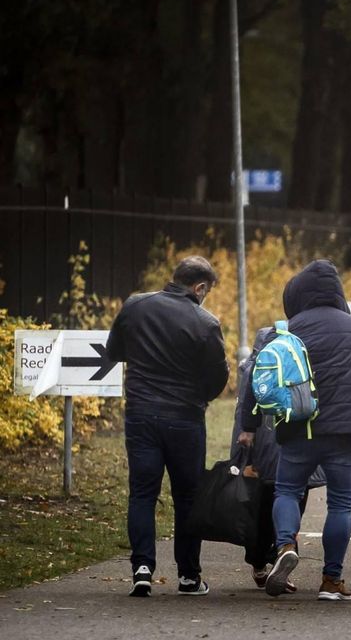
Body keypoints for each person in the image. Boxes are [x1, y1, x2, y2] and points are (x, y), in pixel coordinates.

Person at [245, 260, 351, 601]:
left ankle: (286, 543)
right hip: (347, 432)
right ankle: (331, 581)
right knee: (341, 505)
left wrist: (249, 425)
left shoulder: (284, 330)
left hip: (298, 427)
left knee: (286, 490)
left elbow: (256, 380)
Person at [106, 256, 229, 597]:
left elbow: (113, 350)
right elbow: (218, 376)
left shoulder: (135, 305)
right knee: (188, 497)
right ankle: (189, 577)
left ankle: (142, 568)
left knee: (142, 493)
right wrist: (199, 397)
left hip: (141, 415)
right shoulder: (205, 322)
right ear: (199, 287)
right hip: (185, 420)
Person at [230, 326, 323, 594]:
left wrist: (239, 455)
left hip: (260, 454)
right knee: (294, 499)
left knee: (259, 507)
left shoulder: (252, 367)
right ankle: (282, 550)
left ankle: (260, 562)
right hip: (293, 447)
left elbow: (243, 418)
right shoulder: (298, 362)